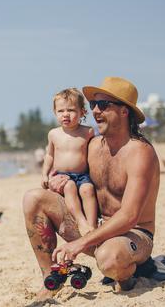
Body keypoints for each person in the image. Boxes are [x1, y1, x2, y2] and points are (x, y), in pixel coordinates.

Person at [23, 77, 161, 297]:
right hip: (92, 226)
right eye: (93, 105)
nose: (95, 110)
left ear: (125, 112)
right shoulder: (93, 145)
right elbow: (75, 176)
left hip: (134, 234)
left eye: (104, 105)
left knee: (110, 258)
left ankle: (136, 273)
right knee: (33, 198)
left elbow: (130, 216)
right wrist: (58, 180)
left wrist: (78, 244)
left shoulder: (140, 152)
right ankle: (51, 280)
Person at [40, 88, 96, 236]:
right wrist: (45, 174)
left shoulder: (88, 132)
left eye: (71, 110)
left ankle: (92, 225)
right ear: (54, 112)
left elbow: (93, 155)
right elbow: (49, 156)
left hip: (83, 174)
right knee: (70, 187)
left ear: (82, 112)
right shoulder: (54, 134)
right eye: (61, 111)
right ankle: (81, 221)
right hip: (62, 176)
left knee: (88, 190)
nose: (65, 114)